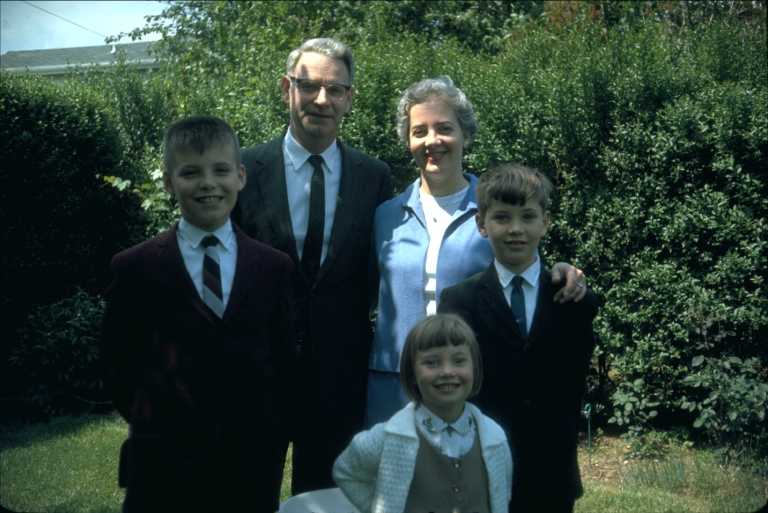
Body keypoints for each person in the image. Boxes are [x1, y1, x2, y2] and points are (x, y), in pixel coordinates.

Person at [366, 76, 587, 427]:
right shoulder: (385, 216)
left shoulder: (492, 211)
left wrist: (561, 269)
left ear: (465, 134)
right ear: (407, 140)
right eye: (419, 131)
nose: (432, 141)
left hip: (473, 386)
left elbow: (523, 269)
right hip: (394, 390)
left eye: (444, 128)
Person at [101, 116, 296, 513]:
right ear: (170, 182)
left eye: (221, 170)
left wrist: (270, 432)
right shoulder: (134, 268)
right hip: (162, 468)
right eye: (190, 172)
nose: (208, 183)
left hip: (250, 468)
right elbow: (118, 367)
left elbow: (286, 362)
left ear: (240, 176)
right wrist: (156, 422)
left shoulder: (274, 268)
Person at [232, 37, 393, 497]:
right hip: (256, 374)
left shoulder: (373, 176)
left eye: (335, 89)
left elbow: (406, 253)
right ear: (287, 88)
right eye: (309, 86)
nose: (322, 100)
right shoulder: (242, 170)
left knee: (324, 501)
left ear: (349, 99)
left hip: (337, 376)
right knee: (244, 494)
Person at [439, 163, 599, 513]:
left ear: (546, 222)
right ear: (482, 224)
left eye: (528, 217)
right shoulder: (458, 301)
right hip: (479, 471)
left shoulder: (574, 300)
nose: (515, 229)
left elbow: (573, 382)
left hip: (551, 475)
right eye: (502, 217)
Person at [334, 313, 513, 513]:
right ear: (412, 372)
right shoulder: (390, 436)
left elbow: (502, 494)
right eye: (432, 363)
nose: (447, 371)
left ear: (475, 368)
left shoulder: (494, 439)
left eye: (459, 361)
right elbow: (346, 471)